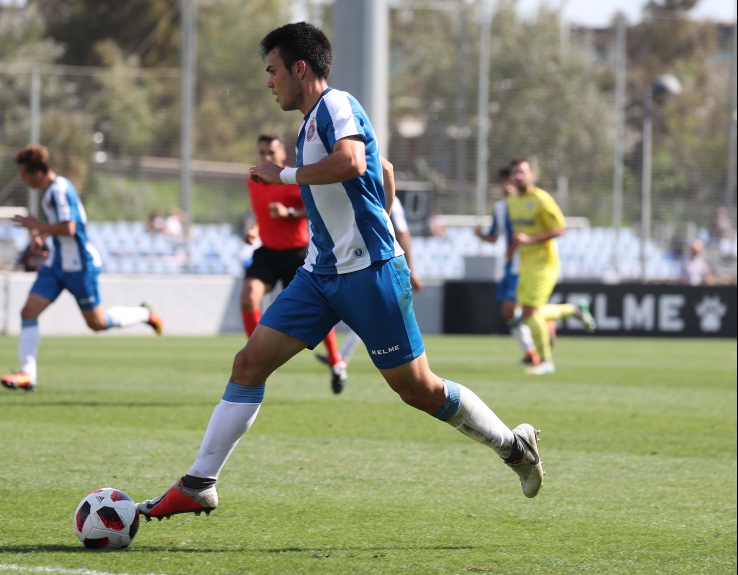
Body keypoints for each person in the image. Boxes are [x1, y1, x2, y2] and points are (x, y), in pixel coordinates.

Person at [136, 22, 545, 523]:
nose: (269, 83)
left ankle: (512, 446)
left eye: (273, 71)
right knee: (248, 364)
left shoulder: (335, 105)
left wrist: (289, 179)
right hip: (320, 274)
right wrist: (371, 213)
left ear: (299, 68)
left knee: (417, 389)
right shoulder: (311, 122)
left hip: (370, 274)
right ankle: (201, 482)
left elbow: (354, 162)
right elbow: (384, 171)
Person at [0, 144, 164, 392]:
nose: (22, 179)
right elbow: (59, 227)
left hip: (79, 266)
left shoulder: (59, 190)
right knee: (28, 312)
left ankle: (144, 314)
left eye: (24, 174)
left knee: (97, 323)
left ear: (38, 172)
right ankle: (27, 375)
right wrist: (41, 236)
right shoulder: (49, 193)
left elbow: (70, 228)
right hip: (56, 265)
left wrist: (36, 224)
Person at [242, 133, 347, 393]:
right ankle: (256, 357)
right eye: (262, 152)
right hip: (267, 252)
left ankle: (336, 362)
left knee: (315, 315)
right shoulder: (255, 180)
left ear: (282, 155)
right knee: (248, 299)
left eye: (270, 152)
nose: (265, 157)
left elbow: (315, 210)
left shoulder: (294, 179)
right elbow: (263, 213)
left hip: (297, 255)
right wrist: (256, 228)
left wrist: (289, 213)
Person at [506, 157, 596, 375]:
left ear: (532, 175)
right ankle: (574, 310)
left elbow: (560, 228)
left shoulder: (541, 200)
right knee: (529, 314)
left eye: (523, 172)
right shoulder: (512, 202)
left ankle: (546, 361)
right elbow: (518, 236)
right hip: (525, 264)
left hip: (545, 264)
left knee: (529, 312)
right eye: (515, 172)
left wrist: (530, 239)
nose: (519, 176)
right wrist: (511, 252)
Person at [317, 193, 423, 368]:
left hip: (384, 265)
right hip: (362, 264)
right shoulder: (355, 193)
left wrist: (411, 271)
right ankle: (342, 357)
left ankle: (344, 357)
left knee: (376, 314)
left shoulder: (387, 198)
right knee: (366, 312)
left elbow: (403, 234)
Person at [475, 166, 548, 366]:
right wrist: (480, 235)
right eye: (504, 181)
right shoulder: (500, 208)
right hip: (508, 265)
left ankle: (536, 342)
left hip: (525, 264)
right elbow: (494, 236)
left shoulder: (528, 205)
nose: (507, 185)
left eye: (511, 180)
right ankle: (533, 346)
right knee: (508, 310)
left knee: (511, 308)